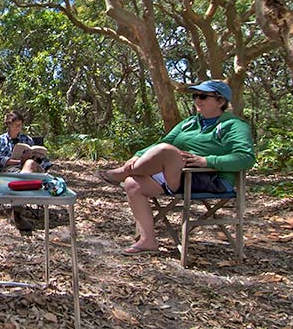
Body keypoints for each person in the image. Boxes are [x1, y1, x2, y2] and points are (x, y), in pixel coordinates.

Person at [95, 80, 255, 255]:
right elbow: (163, 142)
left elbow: (245, 158)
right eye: (195, 96)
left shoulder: (235, 126)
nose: (197, 100)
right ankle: (148, 241)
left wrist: (208, 161)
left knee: (166, 151)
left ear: (221, 101)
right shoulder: (189, 123)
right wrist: (138, 155)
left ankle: (120, 173)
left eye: (203, 96)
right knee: (133, 183)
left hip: (211, 179)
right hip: (178, 174)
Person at [0, 111, 53, 231]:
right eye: (16, 125)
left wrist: (33, 157)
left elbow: (38, 159)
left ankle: (17, 212)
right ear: (9, 125)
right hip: (9, 170)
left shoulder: (27, 139)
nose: (19, 128)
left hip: (30, 168)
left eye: (20, 125)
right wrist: (18, 161)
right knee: (25, 170)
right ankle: (17, 213)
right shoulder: (0, 140)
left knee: (30, 163)